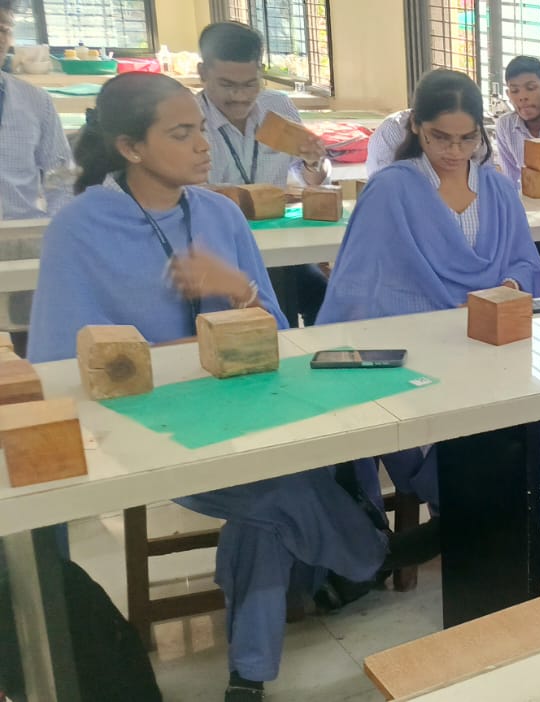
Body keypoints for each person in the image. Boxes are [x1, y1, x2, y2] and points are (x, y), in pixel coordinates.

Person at [26, 72, 395, 702]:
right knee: (281, 486)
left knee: (274, 490)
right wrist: (188, 347)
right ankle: (365, 557)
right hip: (143, 429)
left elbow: (275, 336)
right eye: (182, 133)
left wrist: (236, 290)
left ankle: (248, 675)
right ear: (130, 147)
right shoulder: (79, 229)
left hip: (241, 410)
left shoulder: (220, 214)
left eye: (200, 131)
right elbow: (60, 367)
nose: (204, 145)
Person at [318, 69, 540, 574]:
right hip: (418, 362)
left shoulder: (495, 187)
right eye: (439, 137)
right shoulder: (391, 190)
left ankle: (467, 528)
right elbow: (362, 294)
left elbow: (522, 263)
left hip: (493, 349)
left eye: (468, 138)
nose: (454, 150)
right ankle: (484, 531)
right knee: (460, 449)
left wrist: (510, 287)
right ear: (417, 129)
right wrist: (434, 330)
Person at [196, 21, 330, 326]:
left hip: (279, 244)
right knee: (254, 314)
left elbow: (311, 180)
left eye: (250, 84)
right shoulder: (191, 120)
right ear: (203, 73)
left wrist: (313, 162)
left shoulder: (278, 107)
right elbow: (188, 195)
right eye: (227, 85)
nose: (241, 97)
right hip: (219, 248)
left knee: (326, 299)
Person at [0, 0, 73, 220]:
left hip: (22, 233)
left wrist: (56, 233)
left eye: (4, 29)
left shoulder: (36, 101)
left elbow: (62, 178)